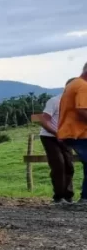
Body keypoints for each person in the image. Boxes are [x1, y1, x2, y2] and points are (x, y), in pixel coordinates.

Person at [39, 78, 76, 204]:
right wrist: (56, 132)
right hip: (49, 136)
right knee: (59, 164)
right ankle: (58, 197)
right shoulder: (55, 101)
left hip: (65, 137)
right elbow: (43, 120)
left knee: (69, 165)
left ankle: (68, 196)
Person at [57, 65, 87, 205]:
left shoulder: (74, 84)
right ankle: (85, 199)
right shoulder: (82, 86)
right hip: (78, 134)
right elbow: (82, 110)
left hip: (73, 132)